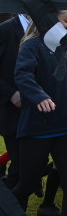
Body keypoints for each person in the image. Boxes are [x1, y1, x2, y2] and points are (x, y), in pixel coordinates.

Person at [12, 7, 67, 215]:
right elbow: (23, 75)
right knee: (27, 184)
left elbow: (63, 80)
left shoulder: (64, 46)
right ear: (48, 21)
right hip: (38, 129)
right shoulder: (32, 46)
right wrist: (39, 95)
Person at [0, 14, 29, 190]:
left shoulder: (47, 28)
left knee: (31, 166)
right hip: (12, 111)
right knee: (20, 167)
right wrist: (11, 94)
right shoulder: (5, 30)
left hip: (40, 111)